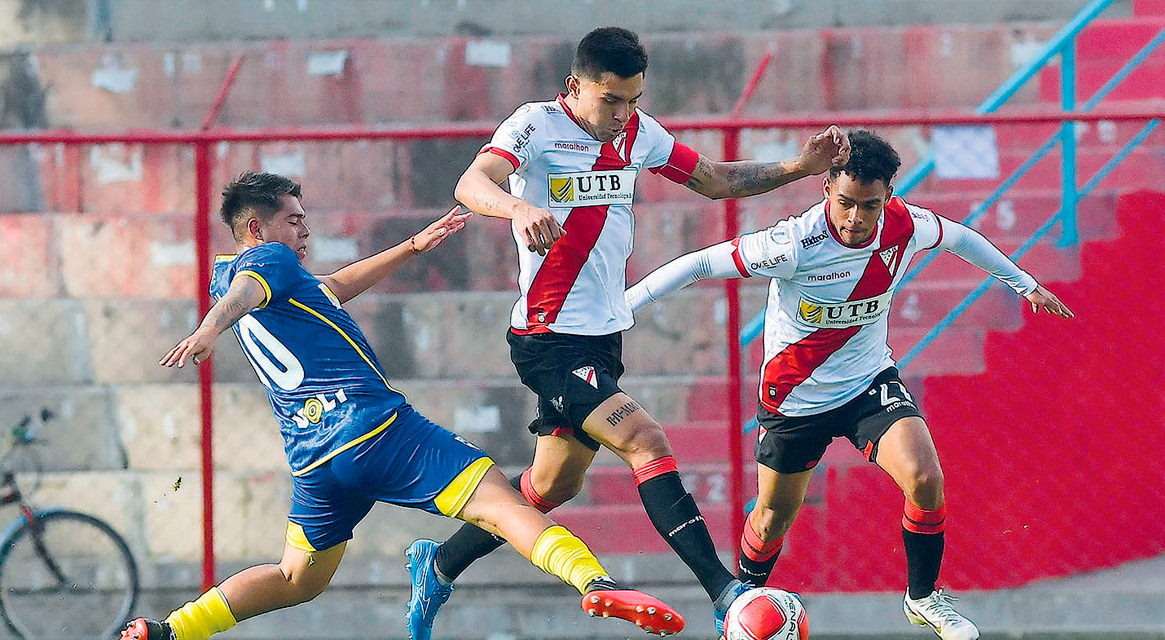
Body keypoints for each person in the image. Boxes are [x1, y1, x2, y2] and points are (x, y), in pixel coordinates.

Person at [404, 26, 851, 640]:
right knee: (645, 437)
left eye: (633, 101)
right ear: (575, 87)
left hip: (603, 338)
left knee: (552, 484)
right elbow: (471, 184)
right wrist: (520, 207)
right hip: (547, 338)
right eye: (611, 101)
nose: (623, 115)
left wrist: (799, 167)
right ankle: (727, 591)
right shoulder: (535, 126)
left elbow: (714, 179)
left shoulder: (638, 133)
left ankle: (440, 561)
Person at [117, 172, 689, 640]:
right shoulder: (266, 263)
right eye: (293, 220)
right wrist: (209, 331)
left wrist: (411, 247)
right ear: (255, 228)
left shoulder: (236, 273)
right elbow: (248, 296)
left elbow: (328, 290)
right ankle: (594, 583)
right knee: (497, 501)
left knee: (297, 579)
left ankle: (170, 632)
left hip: (316, 462)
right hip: (377, 430)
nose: (303, 232)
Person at [624, 129, 1075, 640]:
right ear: (826, 191)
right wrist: (626, 306)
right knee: (772, 519)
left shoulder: (905, 225)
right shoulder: (794, 243)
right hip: (795, 399)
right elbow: (702, 262)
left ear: (888, 197)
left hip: (867, 383)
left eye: (870, 205)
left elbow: (961, 238)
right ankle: (739, 608)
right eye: (846, 203)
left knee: (926, 479)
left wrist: (1025, 283)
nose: (857, 218)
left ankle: (924, 598)